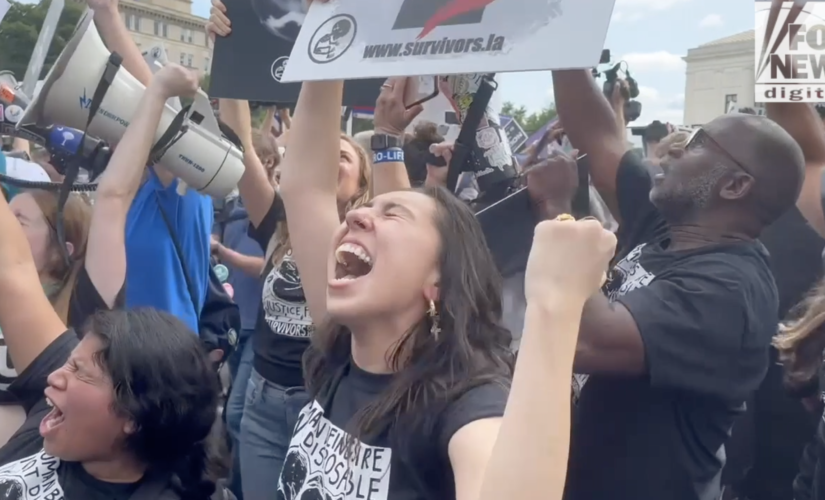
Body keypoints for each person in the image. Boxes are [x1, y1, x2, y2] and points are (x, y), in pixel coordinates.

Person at [552, 66, 804, 500]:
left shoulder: (731, 289)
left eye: (697, 144)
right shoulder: (667, 227)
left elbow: (578, 340)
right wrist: (564, 46)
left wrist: (556, 209)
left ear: (735, 185)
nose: (670, 153)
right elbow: (598, 137)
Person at [0, 128, 227, 500]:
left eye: (79, 372)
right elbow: (10, 268)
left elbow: (112, 196)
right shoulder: (54, 425)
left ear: (133, 417)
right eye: (70, 363)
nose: (54, 377)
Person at [88, 0, 214, 334]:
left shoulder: (183, 189)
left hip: (166, 361)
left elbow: (165, 127)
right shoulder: (129, 196)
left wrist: (108, 14)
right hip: (119, 356)